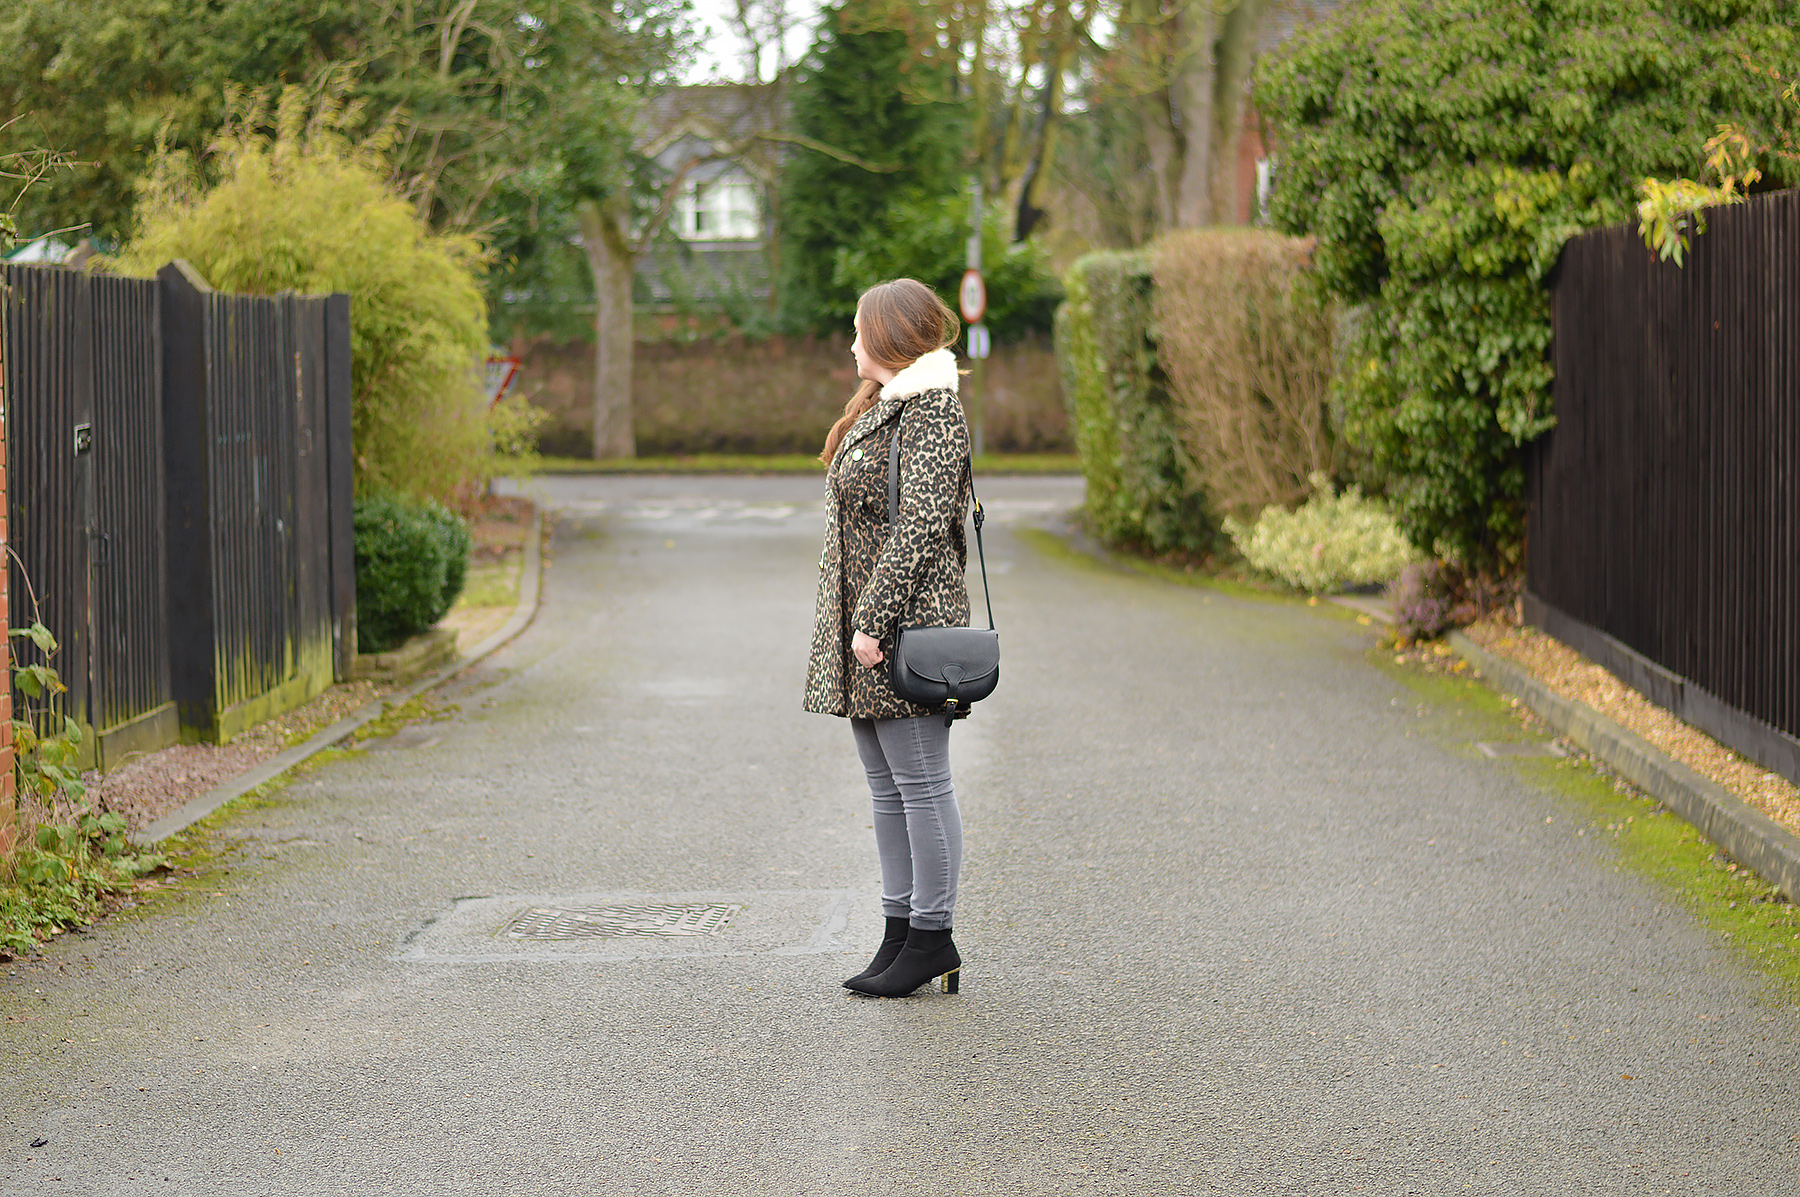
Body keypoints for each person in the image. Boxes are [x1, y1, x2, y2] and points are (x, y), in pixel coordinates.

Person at [804, 278, 973, 998]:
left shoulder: (935, 410)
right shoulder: (887, 406)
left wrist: (872, 618)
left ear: (891, 336)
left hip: (907, 626)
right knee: (886, 787)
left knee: (922, 783)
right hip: (869, 628)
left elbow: (922, 525)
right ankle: (899, 929)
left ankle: (933, 936)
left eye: (858, 331)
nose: (850, 343)